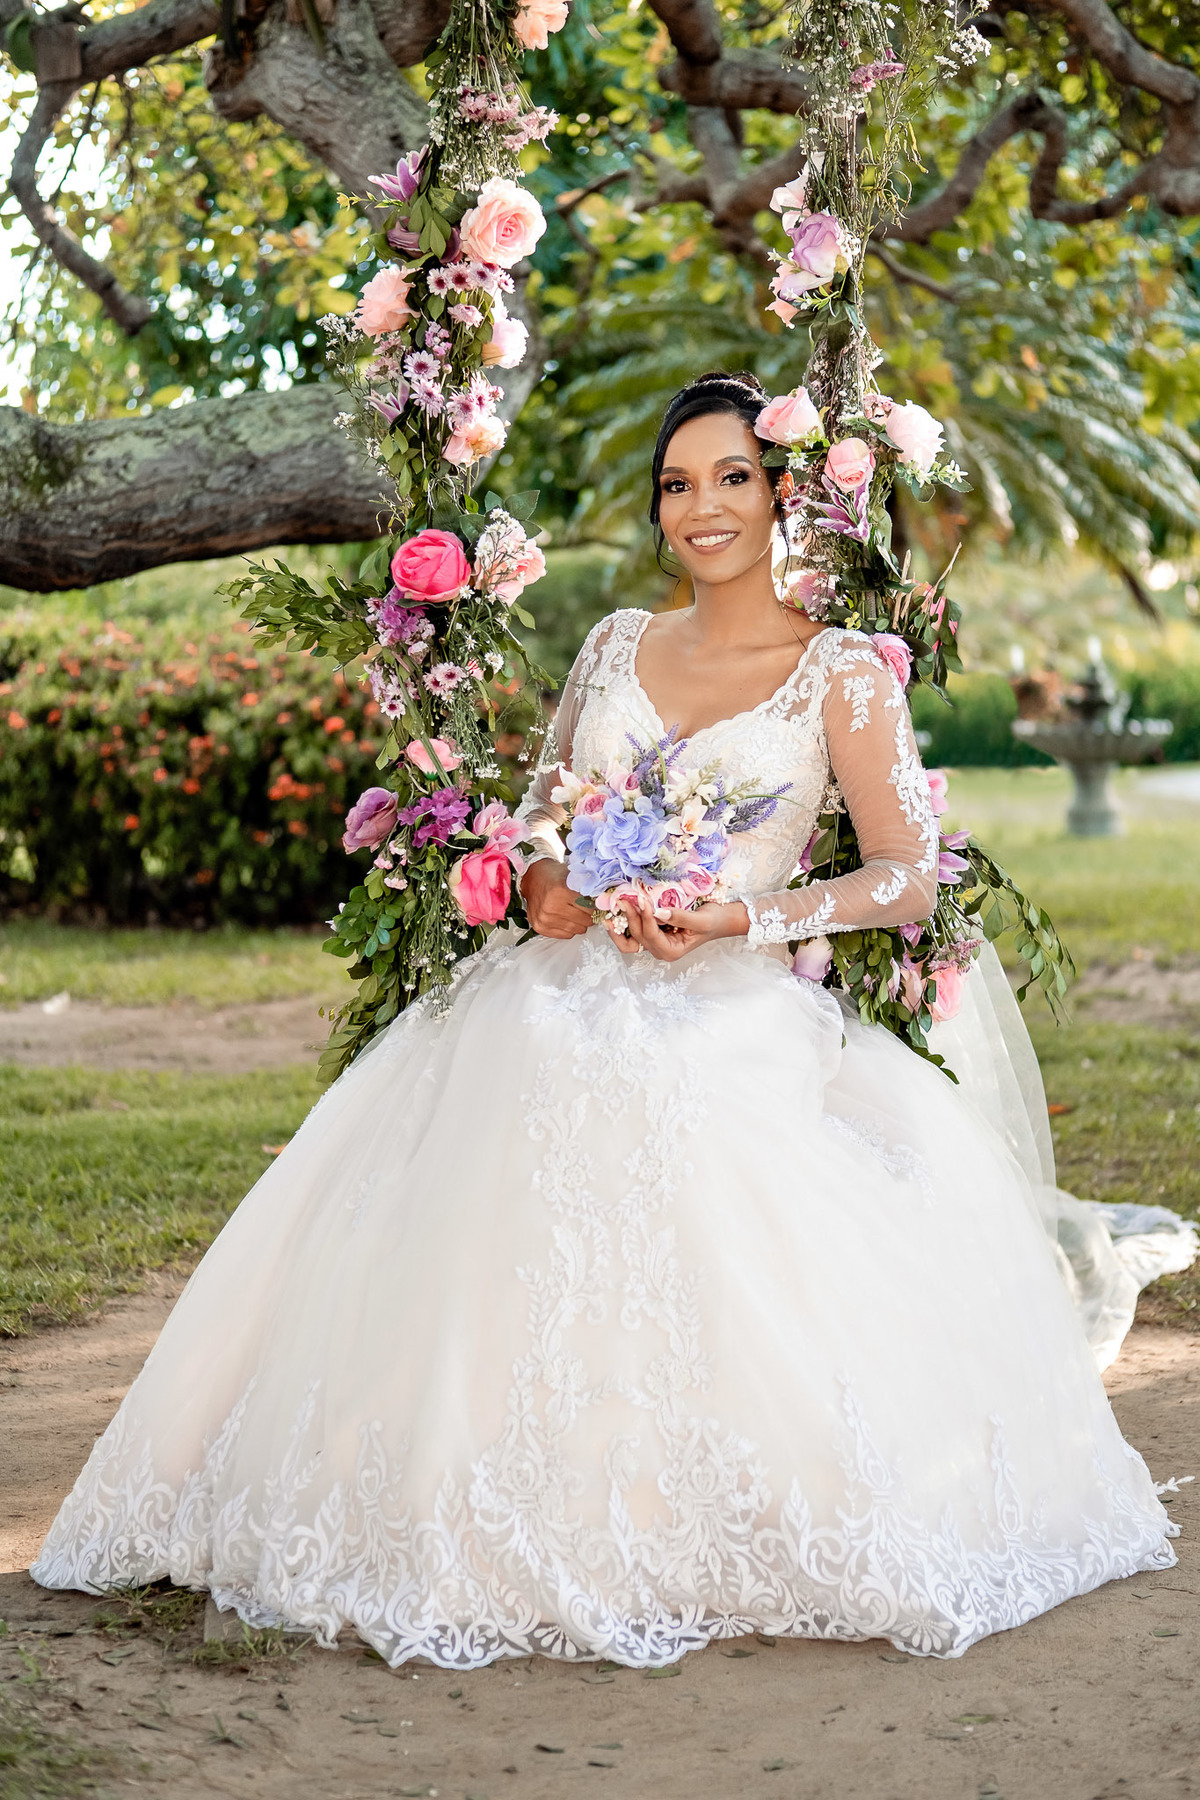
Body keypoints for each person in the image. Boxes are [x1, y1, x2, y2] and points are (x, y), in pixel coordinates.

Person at [31, 372, 1185, 1669]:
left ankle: (675, 1503)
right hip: (564, 985)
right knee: (521, 1076)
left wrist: (738, 921)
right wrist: (546, 886)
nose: (703, 507)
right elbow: (537, 809)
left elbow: (908, 873)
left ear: (784, 493)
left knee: (689, 1104)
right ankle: (460, 1492)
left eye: (733, 477)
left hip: (734, 1001)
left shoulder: (841, 675)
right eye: (678, 483)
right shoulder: (613, 643)